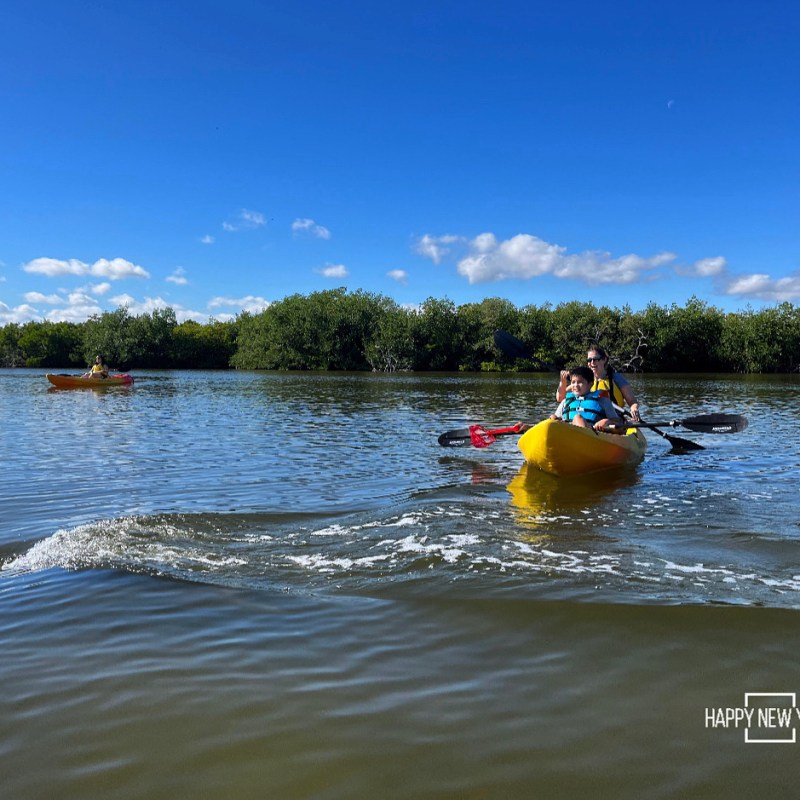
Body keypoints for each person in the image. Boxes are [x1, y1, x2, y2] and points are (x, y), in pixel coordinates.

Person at [556, 345, 640, 421]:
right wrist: (563, 383)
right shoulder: (583, 380)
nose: (592, 362)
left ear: (604, 359)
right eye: (589, 360)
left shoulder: (616, 378)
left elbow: (632, 401)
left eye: (595, 359)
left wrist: (634, 409)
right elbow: (560, 398)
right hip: (589, 418)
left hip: (612, 419)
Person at [550, 366, 622, 430]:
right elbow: (556, 417)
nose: (576, 385)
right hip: (568, 432)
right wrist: (554, 418)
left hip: (592, 434)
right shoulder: (566, 401)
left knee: (578, 418)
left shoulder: (602, 400)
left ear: (590, 384)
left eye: (580, 382)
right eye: (573, 382)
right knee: (552, 417)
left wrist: (606, 421)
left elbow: (618, 421)